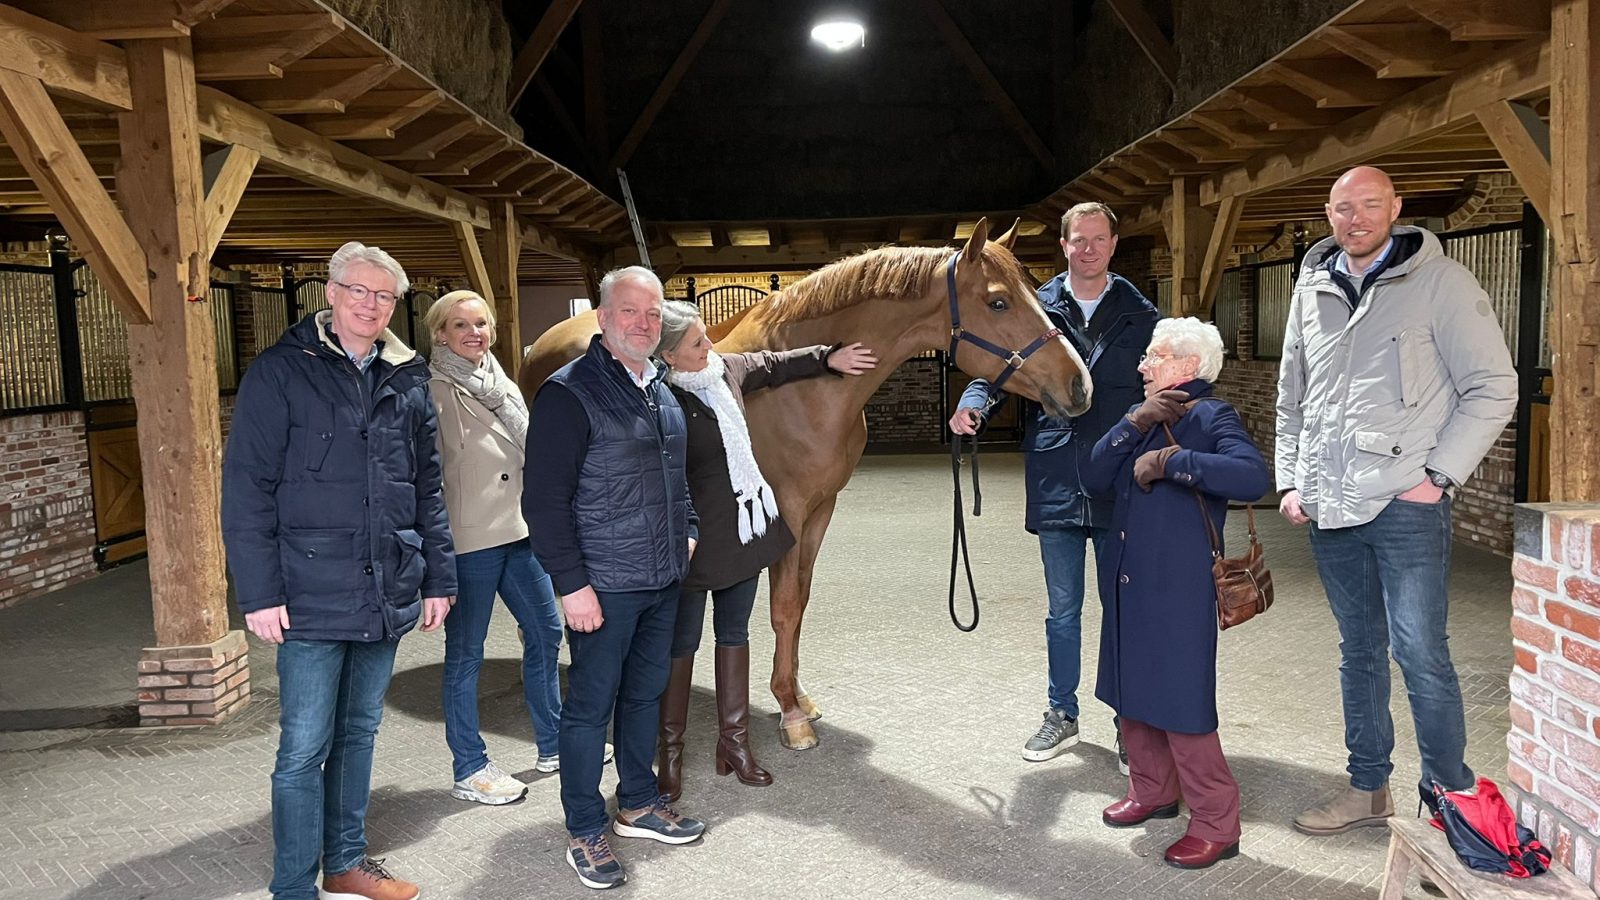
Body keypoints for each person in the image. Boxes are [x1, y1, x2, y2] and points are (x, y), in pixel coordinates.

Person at [1277, 166, 1517, 835]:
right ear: (1328, 214)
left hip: (1405, 503)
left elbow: (1494, 385)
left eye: (1370, 205)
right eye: (1343, 208)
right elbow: (1292, 394)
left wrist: (1437, 476)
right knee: (1358, 652)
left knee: (1420, 654)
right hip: (1331, 507)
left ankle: (1452, 804)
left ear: (1396, 208)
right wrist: (1292, 481)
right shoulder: (1310, 288)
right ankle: (1367, 789)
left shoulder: (1442, 283)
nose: (1355, 219)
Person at [223, 241, 456, 900]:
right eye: (358, 290)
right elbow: (246, 487)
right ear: (330, 293)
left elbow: (427, 485)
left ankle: (345, 863)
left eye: (384, 296)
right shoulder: (280, 371)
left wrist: (439, 577)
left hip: (385, 583)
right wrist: (259, 592)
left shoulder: (406, 376)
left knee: (359, 733)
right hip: (307, 590)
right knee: (303, 747)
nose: (370, 304)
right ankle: (293, 886)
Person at [950, 202, 1158, 767]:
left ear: (1113, 244)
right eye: (1077, 240)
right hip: (1058, 476)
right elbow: (998, 369)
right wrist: (973, 402)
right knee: (1062, 610)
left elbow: (1165, 383)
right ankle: (1062, 713)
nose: (1088, 249)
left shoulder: (1140, 315)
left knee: (1122, 608)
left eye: (1098, 239)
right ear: (1064, 246)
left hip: (1119, 480)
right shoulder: (1035, 306)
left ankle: (1128, 720)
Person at [523, 267, 708, 890]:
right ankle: (584, 829)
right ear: (603, 318)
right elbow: (543, 502)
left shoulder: (659, 386)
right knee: (589, 709)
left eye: (653, 314)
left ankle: (637, 804)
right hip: (603, 583)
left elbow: (677, 475)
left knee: (644, 695)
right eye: (630, 311)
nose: (643, 323)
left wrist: (688, 528)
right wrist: (571, 585)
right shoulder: (569, 393)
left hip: (661, 577)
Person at [652, 300, 878, 800]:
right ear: (667, 355)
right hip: (690, 539)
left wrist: (828, 358)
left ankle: (734, 745)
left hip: (742, 530)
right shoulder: (659, 397)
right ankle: (670, 752)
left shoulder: (724, 372)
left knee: (734, 633)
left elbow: (774, 363)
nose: (711, 345)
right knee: (681, 644)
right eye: (697, 342)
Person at [1082, 317, 1269, 870]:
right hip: (1127, 579)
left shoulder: (1211, 415)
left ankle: (1216, 823)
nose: (1143, 365)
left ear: (1188, 365)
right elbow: (1093, 478)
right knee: (1131, 692)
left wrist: (1172, 461)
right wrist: (1133, 422)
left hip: (1178, 587)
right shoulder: (1142, 416)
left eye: (1154, 356)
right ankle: (1153, 791)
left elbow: (1251, 476)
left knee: (1182, 703)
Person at [425, 290, 567, 805]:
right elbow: (427, 478)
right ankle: (469, 767)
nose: (474, 333)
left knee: (547, 632)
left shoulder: (499, 382)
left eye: (481, 324)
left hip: (520, 531)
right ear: (441, 334)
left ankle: (553, 742)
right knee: (466, 654)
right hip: (471, 542)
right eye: (461, 325)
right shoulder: (434, 391)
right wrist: (434, 557)